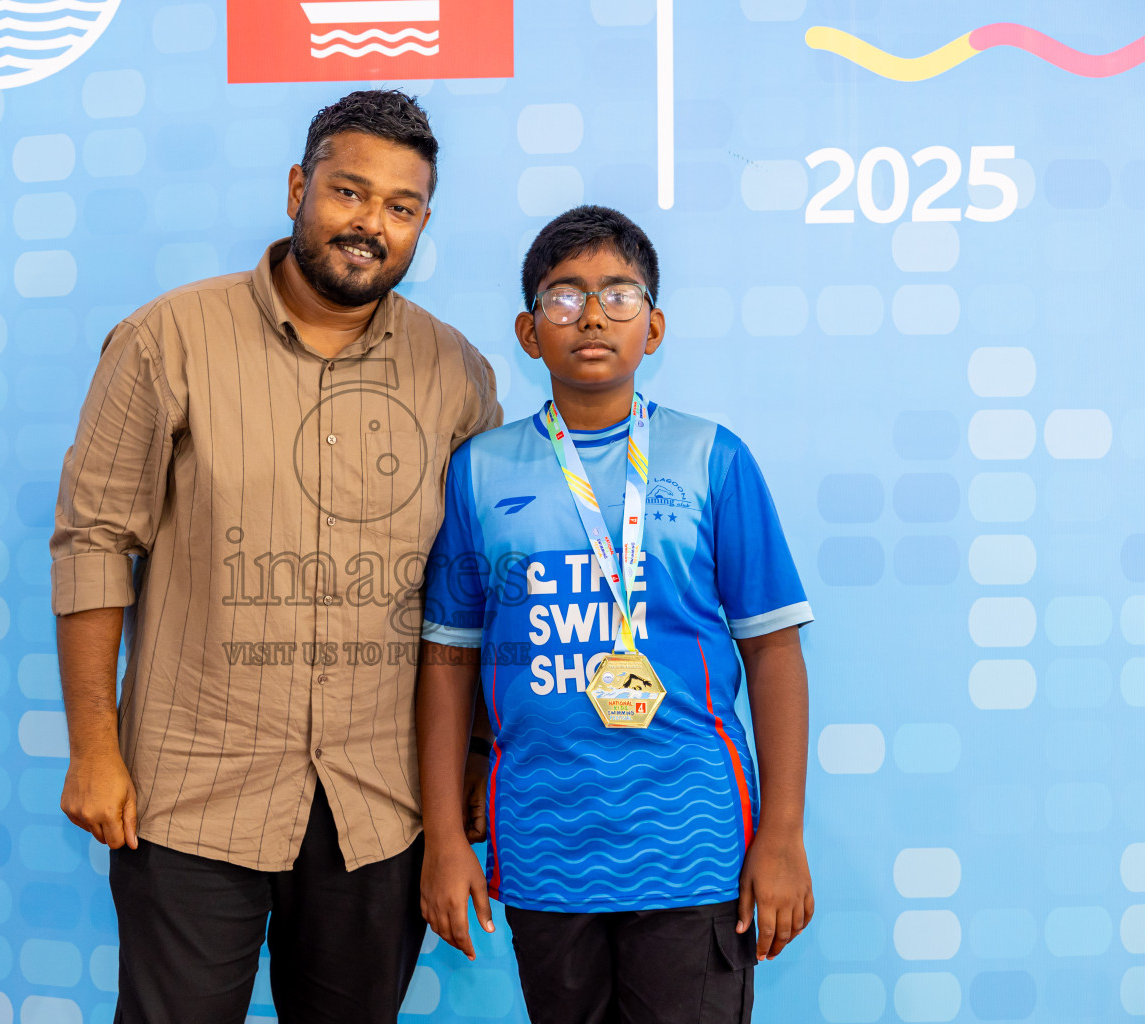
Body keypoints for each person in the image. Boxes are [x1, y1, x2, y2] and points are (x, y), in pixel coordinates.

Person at [49, 90, 501, 1023]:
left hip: (378, 805)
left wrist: (474, 759)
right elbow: (94, 542)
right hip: (188, 794)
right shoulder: (166, 340)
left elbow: (472, 590)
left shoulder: (457, 375)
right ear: (299, 188)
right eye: (348, 191)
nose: (370, 224)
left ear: (422, 224)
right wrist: (93, 749)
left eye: (401, 206)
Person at [416, 205, 814, 1023]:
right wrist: (444, 839)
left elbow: (774, 651)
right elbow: (449, 659)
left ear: (653, 327)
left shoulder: (712, 458)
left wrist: (780, 835)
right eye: (564, 297)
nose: (592, 316)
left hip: (693, 843)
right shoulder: (479, 471)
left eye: (618, 295)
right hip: (544, 844)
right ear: (529, 333)